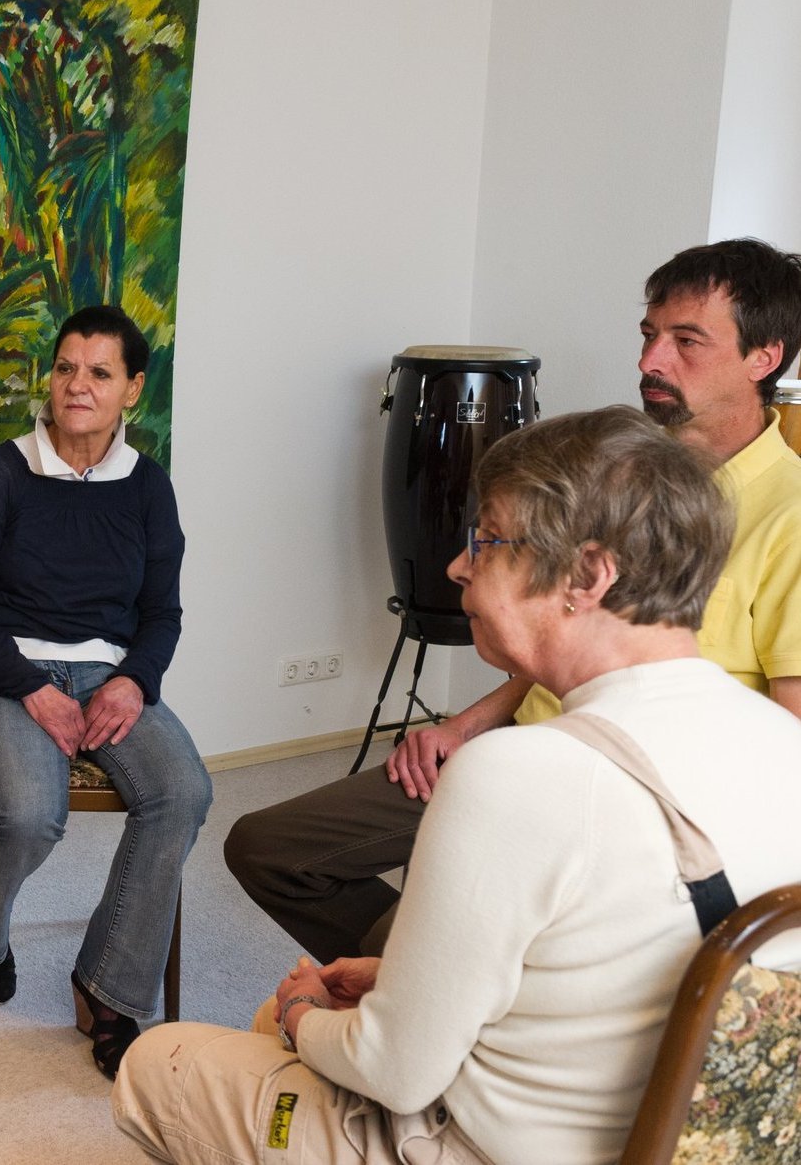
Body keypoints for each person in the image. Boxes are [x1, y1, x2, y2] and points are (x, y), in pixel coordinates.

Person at [115, 405, 801, 1165]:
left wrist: (303, 1014)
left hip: (477, 1149)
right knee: (277, 1028)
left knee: (165, 1060)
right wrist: (397, 979)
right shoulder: (783, 743)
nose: (458, 565)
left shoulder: (522, 773)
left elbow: (394, 1072)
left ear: (586, 575)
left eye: (490, 539)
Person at [226, 237, 801, 963]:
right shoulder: (627, 477)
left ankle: (447, 986)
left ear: (764, 357)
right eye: (650, 335)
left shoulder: (791, 519)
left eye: (687, 341)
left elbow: (784, 751)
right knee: (270, 847)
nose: (650, 362)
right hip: (521, 746)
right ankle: (435, 976)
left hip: (621, 802)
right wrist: (466, 725)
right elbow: (567, 638)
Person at [0, 304, 212, 1078]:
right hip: (5, 672)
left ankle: (109, 988)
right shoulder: (4, 471)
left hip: (109, 676)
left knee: (183, 793)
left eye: (99, 372)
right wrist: (30, 687)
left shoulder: (146, 486)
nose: (77, 385)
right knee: (28, 814)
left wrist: (133, 681)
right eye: (65, 368)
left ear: (132, 389)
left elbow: (162, 613)